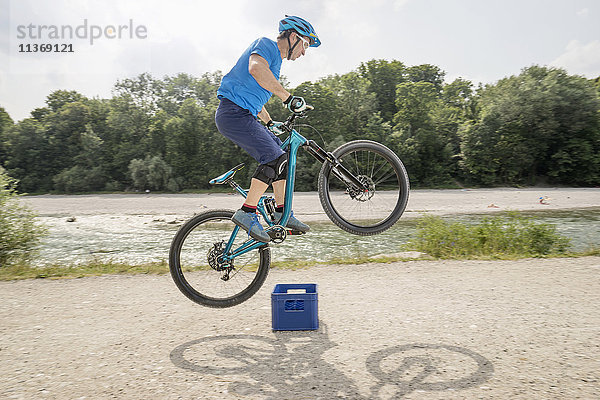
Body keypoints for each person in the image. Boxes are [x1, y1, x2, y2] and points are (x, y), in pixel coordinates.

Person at [215, 15, 321, 242]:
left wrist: (270, 122)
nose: (303, 53)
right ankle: (247, 212)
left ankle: (283, 212)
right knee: (272, 158)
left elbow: (255, 97)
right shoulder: (267, 45)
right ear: (293, 37)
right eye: (305, 45)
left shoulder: (276, 62)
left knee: (281, 157)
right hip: (233, 114)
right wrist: (287, 97)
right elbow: (255, 68)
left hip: (243, 114)